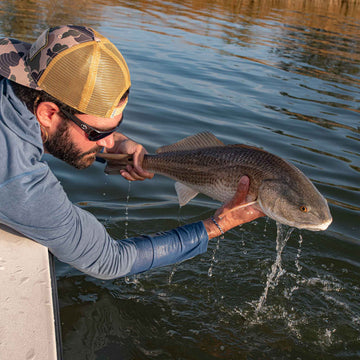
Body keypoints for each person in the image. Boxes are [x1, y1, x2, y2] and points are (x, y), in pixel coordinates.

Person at [0, 25, 264, 279]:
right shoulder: (20, 181)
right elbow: (110, 260)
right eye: (96, 133)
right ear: (48, 112)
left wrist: (116, 144)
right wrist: (217, 225)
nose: (106, 143)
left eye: (114, 129)